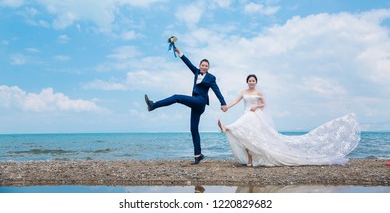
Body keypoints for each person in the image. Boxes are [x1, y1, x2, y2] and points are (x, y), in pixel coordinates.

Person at [218, 74, 360, 167]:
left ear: (256, 82)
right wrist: (227, 107)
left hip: (254, 116)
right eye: (250, 81)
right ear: (247, 82)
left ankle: (227, 128)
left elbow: (264, 104)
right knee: (247, 139)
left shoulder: (259, 92)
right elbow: (235, 101)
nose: (251, 82)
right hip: (246, 114)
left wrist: (256, 106)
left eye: (253, 81)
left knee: (254, 137)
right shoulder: (243, 92)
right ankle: (249, 159)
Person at [145, 46, 227, 165]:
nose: (204, 67)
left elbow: (216, 90)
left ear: (208, 67)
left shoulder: (211, 78)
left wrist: (223, 103)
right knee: (194, 129)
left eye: (206, 65)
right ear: (199, 66)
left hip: (200, 101)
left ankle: (153, 105)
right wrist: (179, 53)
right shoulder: (196, 72)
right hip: (195, 103)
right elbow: (187, 63)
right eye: (202, 65)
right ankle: (198, 155)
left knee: (176, 97)